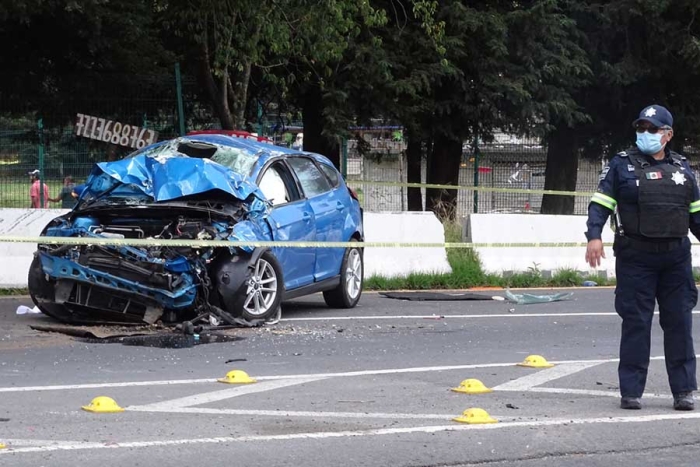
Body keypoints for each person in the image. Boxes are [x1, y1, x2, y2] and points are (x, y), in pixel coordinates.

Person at [585, 104, 700, 411]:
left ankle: (684, 391)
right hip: (636, 256)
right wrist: (594, 235)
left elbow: (696, 215)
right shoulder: (622, 164)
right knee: (636, 323)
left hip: (676, 257)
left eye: (652, 129)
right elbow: (601, 203)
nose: (645, 134)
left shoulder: (683, 168)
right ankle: (631, 391)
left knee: (679, 323)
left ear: (668, 134)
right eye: (641, 128)